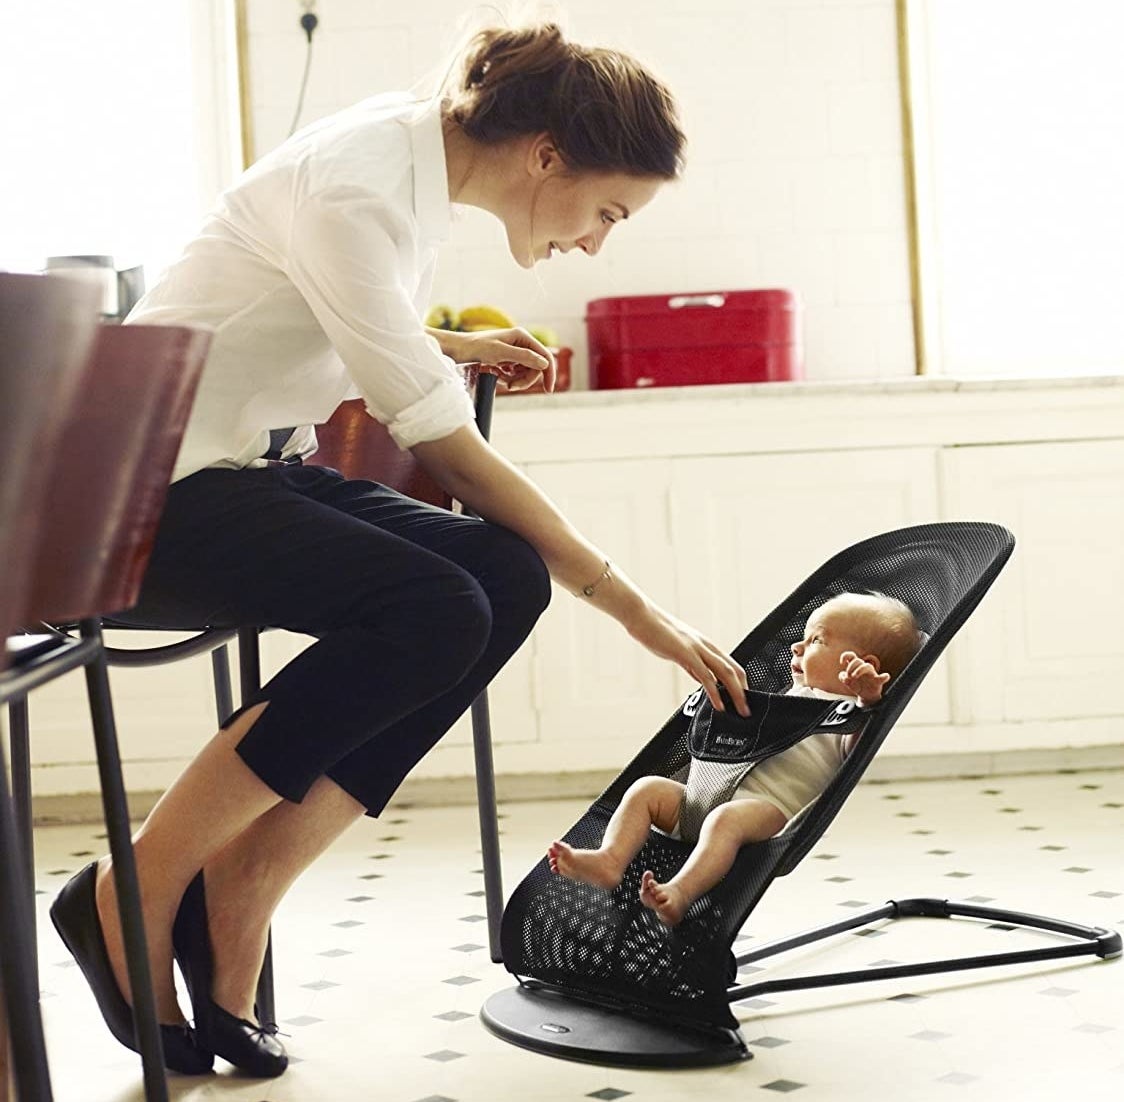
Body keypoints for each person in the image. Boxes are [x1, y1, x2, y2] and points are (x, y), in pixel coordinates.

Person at [47, 22, 751, 1079]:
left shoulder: (403, 167)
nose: (597, 241)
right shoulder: (360, 183)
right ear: (545, 154)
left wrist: (447, 344)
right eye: (606, 211)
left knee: (502, 579)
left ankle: (242, 887)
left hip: (233, 469)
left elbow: (308, 301)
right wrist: (639, 611)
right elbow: (451, 456)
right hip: (136, 496)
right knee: (433, 605)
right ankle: (141, 882)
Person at [548, 593, 923, 926]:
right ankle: (610, 860)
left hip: (766, 812)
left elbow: (858, 748)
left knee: (724, 820)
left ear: (860, 662)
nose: (796, 646)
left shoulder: (845, 715)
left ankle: (679, 892)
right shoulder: (786, 699)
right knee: (646, 790)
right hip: (701, 798)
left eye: (816, 640)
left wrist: (868, 700)